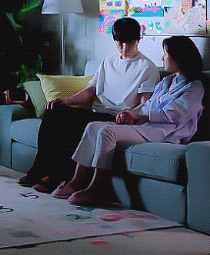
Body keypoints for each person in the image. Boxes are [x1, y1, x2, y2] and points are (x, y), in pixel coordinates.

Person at [50, 35, 205, 206]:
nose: (162, 58)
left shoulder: (194, 87)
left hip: (166, 133)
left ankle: (96, 189)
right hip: (146, 127)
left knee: (107, 132)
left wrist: (138, 116)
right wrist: (130, 113)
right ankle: (75, 182)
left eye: (165, 54)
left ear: (179, 57)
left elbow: (175, 114)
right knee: (93, 127)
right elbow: (148, 105)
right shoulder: (166, 81)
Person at [18, 17, 160, 193]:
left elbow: (146, 104)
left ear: (139, 39)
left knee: (74, 123)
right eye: (120, 43)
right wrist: (66, 101)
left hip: (116, 118)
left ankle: (58, 177)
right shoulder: (108, 62)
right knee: (55, 110)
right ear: (115, 40)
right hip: (97, 112)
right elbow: (89, 91)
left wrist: (130, 114)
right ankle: (38, 170)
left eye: (130, 43)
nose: (125, 48)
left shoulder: (147, 67)